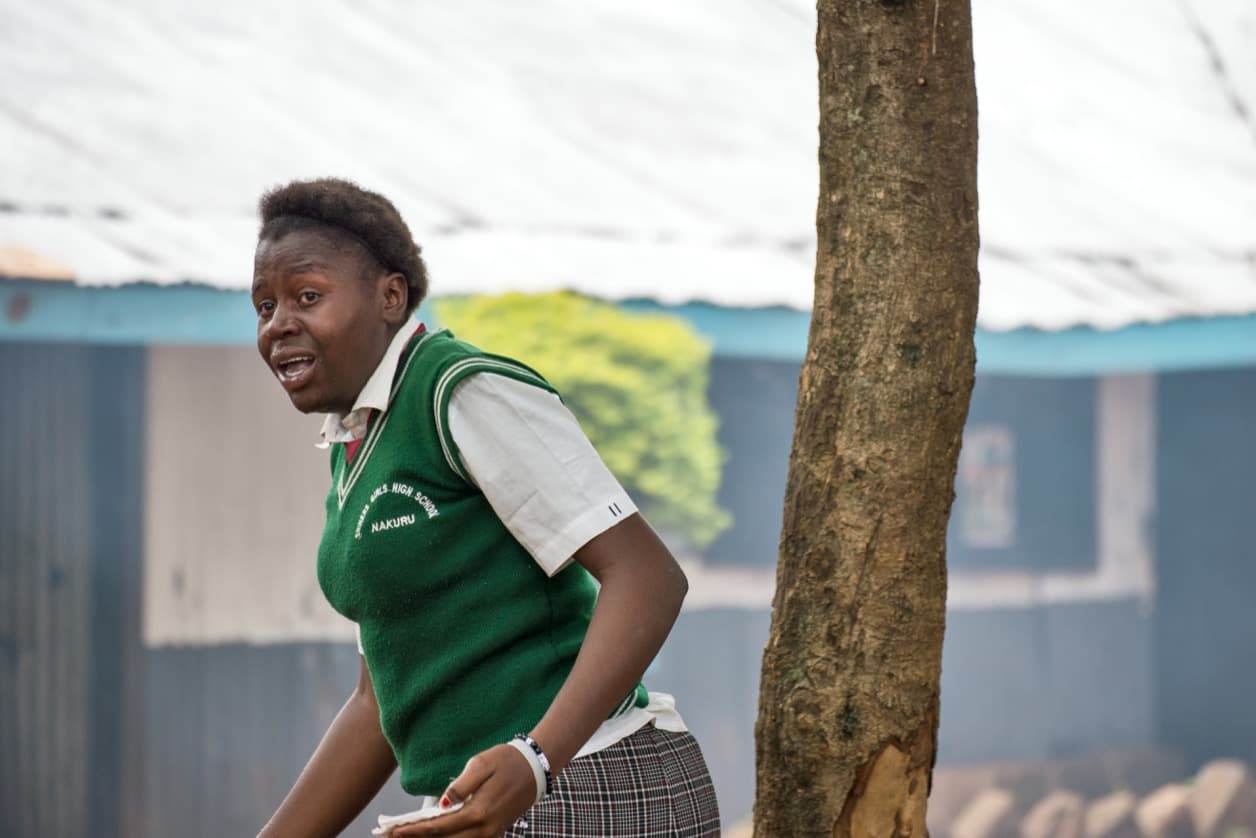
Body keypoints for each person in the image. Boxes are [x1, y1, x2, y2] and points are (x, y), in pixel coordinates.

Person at [252, 178, 720, 838]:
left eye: (307, 296)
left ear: (390, 296)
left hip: (594, 782)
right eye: (263, 306)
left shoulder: (462, 392)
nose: (278, 324)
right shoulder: (357, 445)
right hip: (493, 797)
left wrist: (536, 758)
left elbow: (648, 577)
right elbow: (380, 698)